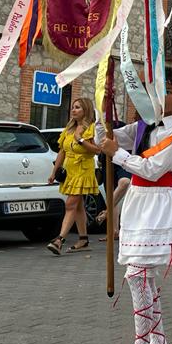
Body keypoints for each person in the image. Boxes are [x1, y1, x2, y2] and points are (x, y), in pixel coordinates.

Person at [98, 69, 172, 344]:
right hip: (137, 200)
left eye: (168, 91)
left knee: (137, 274)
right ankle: (158, 339)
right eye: (156, 88)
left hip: (158, 201)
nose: (160, 95)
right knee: (144, 275)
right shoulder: (143, 126)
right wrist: (103, 110)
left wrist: (119, 156)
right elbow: (106, 139)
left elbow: (152, 169)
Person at [46, 97, 102, 255]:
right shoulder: (69, 129)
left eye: (77, 107)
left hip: (83, 171)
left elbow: (97, 150)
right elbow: (62, 152)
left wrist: (81, 139)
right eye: (73, 107)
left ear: (86, 110)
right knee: (78, 206)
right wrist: (53, 172)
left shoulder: (90, 128)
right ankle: (83, 239)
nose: (73, 110)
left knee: (70, 205)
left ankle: (59, 240)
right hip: (70, 172)